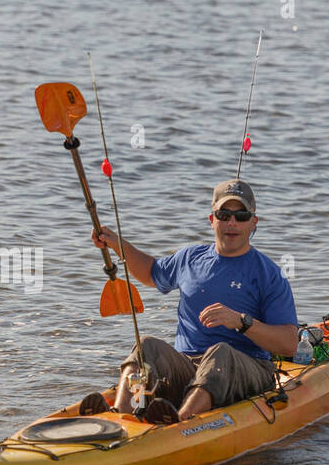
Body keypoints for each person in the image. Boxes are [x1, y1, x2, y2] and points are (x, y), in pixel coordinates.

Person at [81, 178, 299, 425]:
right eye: (224, 214)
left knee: (221, 352)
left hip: (247, 369)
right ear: (212, 219)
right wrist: (117, 244)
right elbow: (150, 272)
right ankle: (120, 415)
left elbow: (289, 345)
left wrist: (241, 322)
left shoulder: (268, 274)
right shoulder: (190, 258)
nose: (231, 223)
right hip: (188, 367)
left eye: (241, 216)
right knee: (147, 346)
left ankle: (181, 421)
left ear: (253, 222)